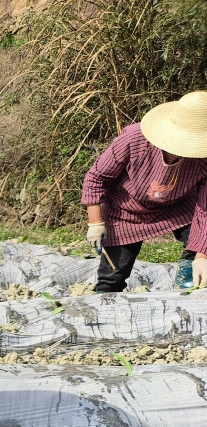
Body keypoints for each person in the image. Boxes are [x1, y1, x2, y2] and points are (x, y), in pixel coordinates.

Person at [82, 91, 207, 291]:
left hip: (178, 208)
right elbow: (97, 177)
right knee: (112, 278)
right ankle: (105, 310)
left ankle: (187, 291)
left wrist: (202, 255)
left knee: (199, 251)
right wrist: (96, 223)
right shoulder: (134, 139)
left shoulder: (203, 158)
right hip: (125, 210)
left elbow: (205, 208)